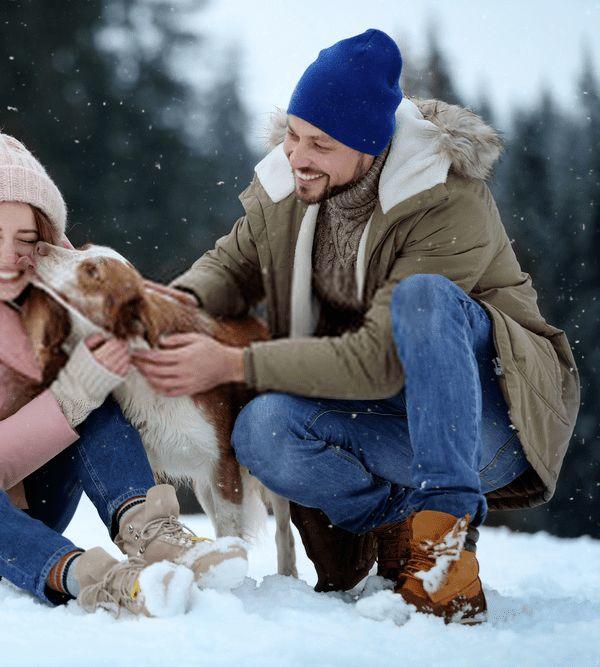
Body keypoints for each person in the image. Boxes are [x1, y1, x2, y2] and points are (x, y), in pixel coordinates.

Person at [133, 29, 579, 623]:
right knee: (263, 429)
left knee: (424, 301)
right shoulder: (291, 186)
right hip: (385, 424)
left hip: (491, 424)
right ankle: (396, 526)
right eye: (292, 134)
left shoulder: (445, 198)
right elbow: (230, 266)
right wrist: (169, 310)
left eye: (319, 143)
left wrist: (233, 363)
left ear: (369, 147)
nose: (297, 155)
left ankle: (444, 552)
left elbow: (379, 358)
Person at [0, 127, 245, 617]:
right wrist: (73, 393)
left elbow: (124, 316)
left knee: (96, 404)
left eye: (26, 239)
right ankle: (100, 581)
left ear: (47, 243)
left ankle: (155, 536)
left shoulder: (53, 295)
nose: (10, 257)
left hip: (24, 510)